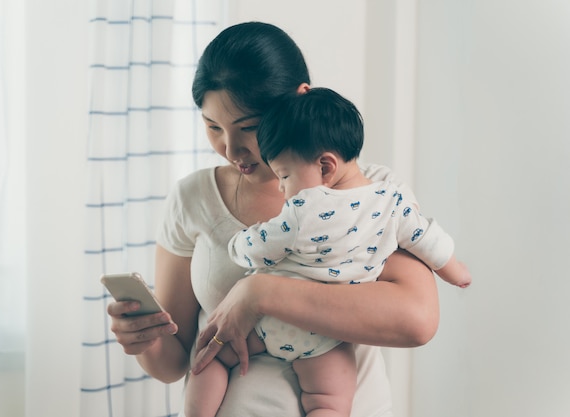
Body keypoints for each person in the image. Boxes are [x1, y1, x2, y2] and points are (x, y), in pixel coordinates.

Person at [107, 21, 442, 417]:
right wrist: (145, 340)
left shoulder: (372, 194)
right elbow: (175, 363)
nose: (231, 149)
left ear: (301, 99)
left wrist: (259, 294)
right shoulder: (193, 199)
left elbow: (416, 320)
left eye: (248, 127)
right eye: (213, 127)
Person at [183, 87, 471, 416]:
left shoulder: (304, 209)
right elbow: (427, 238)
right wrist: (455, 271)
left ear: (324, 168)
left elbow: (256, 249)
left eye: (285, 175)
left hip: (272, 324)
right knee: (330, 402)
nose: (282, 187)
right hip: (327, 339)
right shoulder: (393, 200)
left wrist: (238, 242)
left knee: (211, 356)